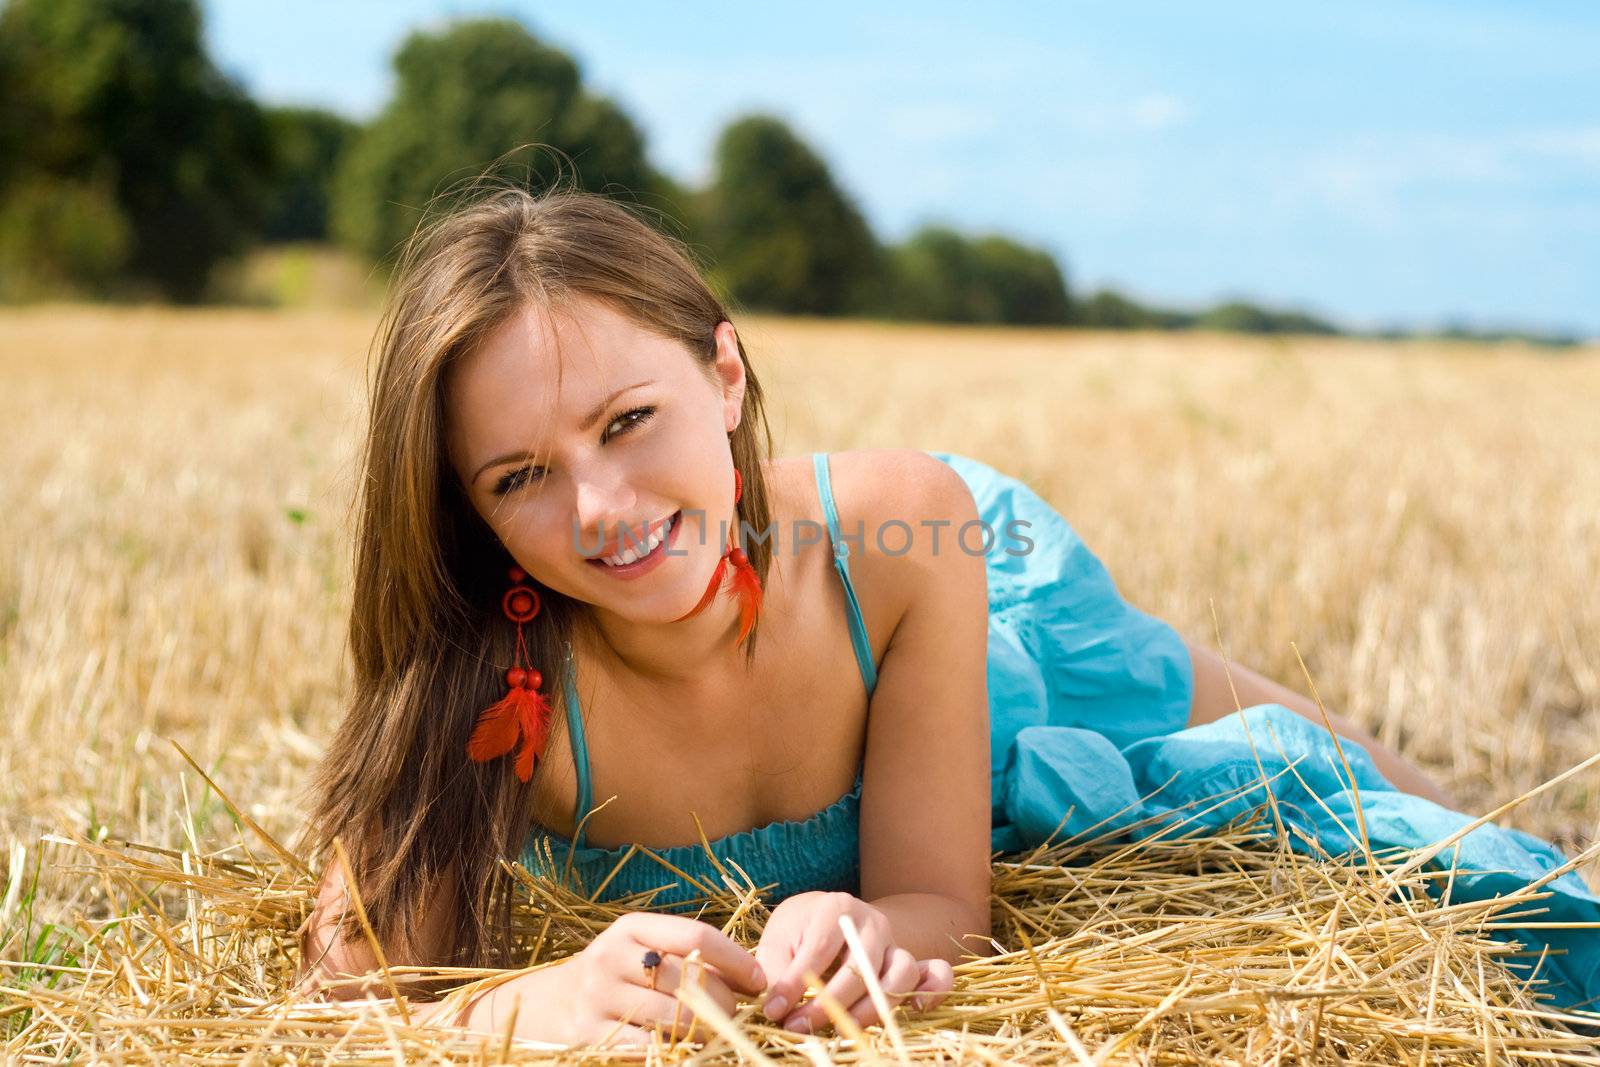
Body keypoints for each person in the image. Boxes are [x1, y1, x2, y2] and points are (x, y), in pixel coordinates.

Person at [292, 184, 1474, 1047]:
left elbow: (943, 904)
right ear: (468, 512)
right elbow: (342, 1000)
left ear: (724, 375)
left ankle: (1450, 786)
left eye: (626, 419)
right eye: (519, 475)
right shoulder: (479, 679)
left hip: (947, 599)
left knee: (1268, 751)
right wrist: (525, 1006)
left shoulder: (901, 525)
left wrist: (880, 912)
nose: (603, 509)